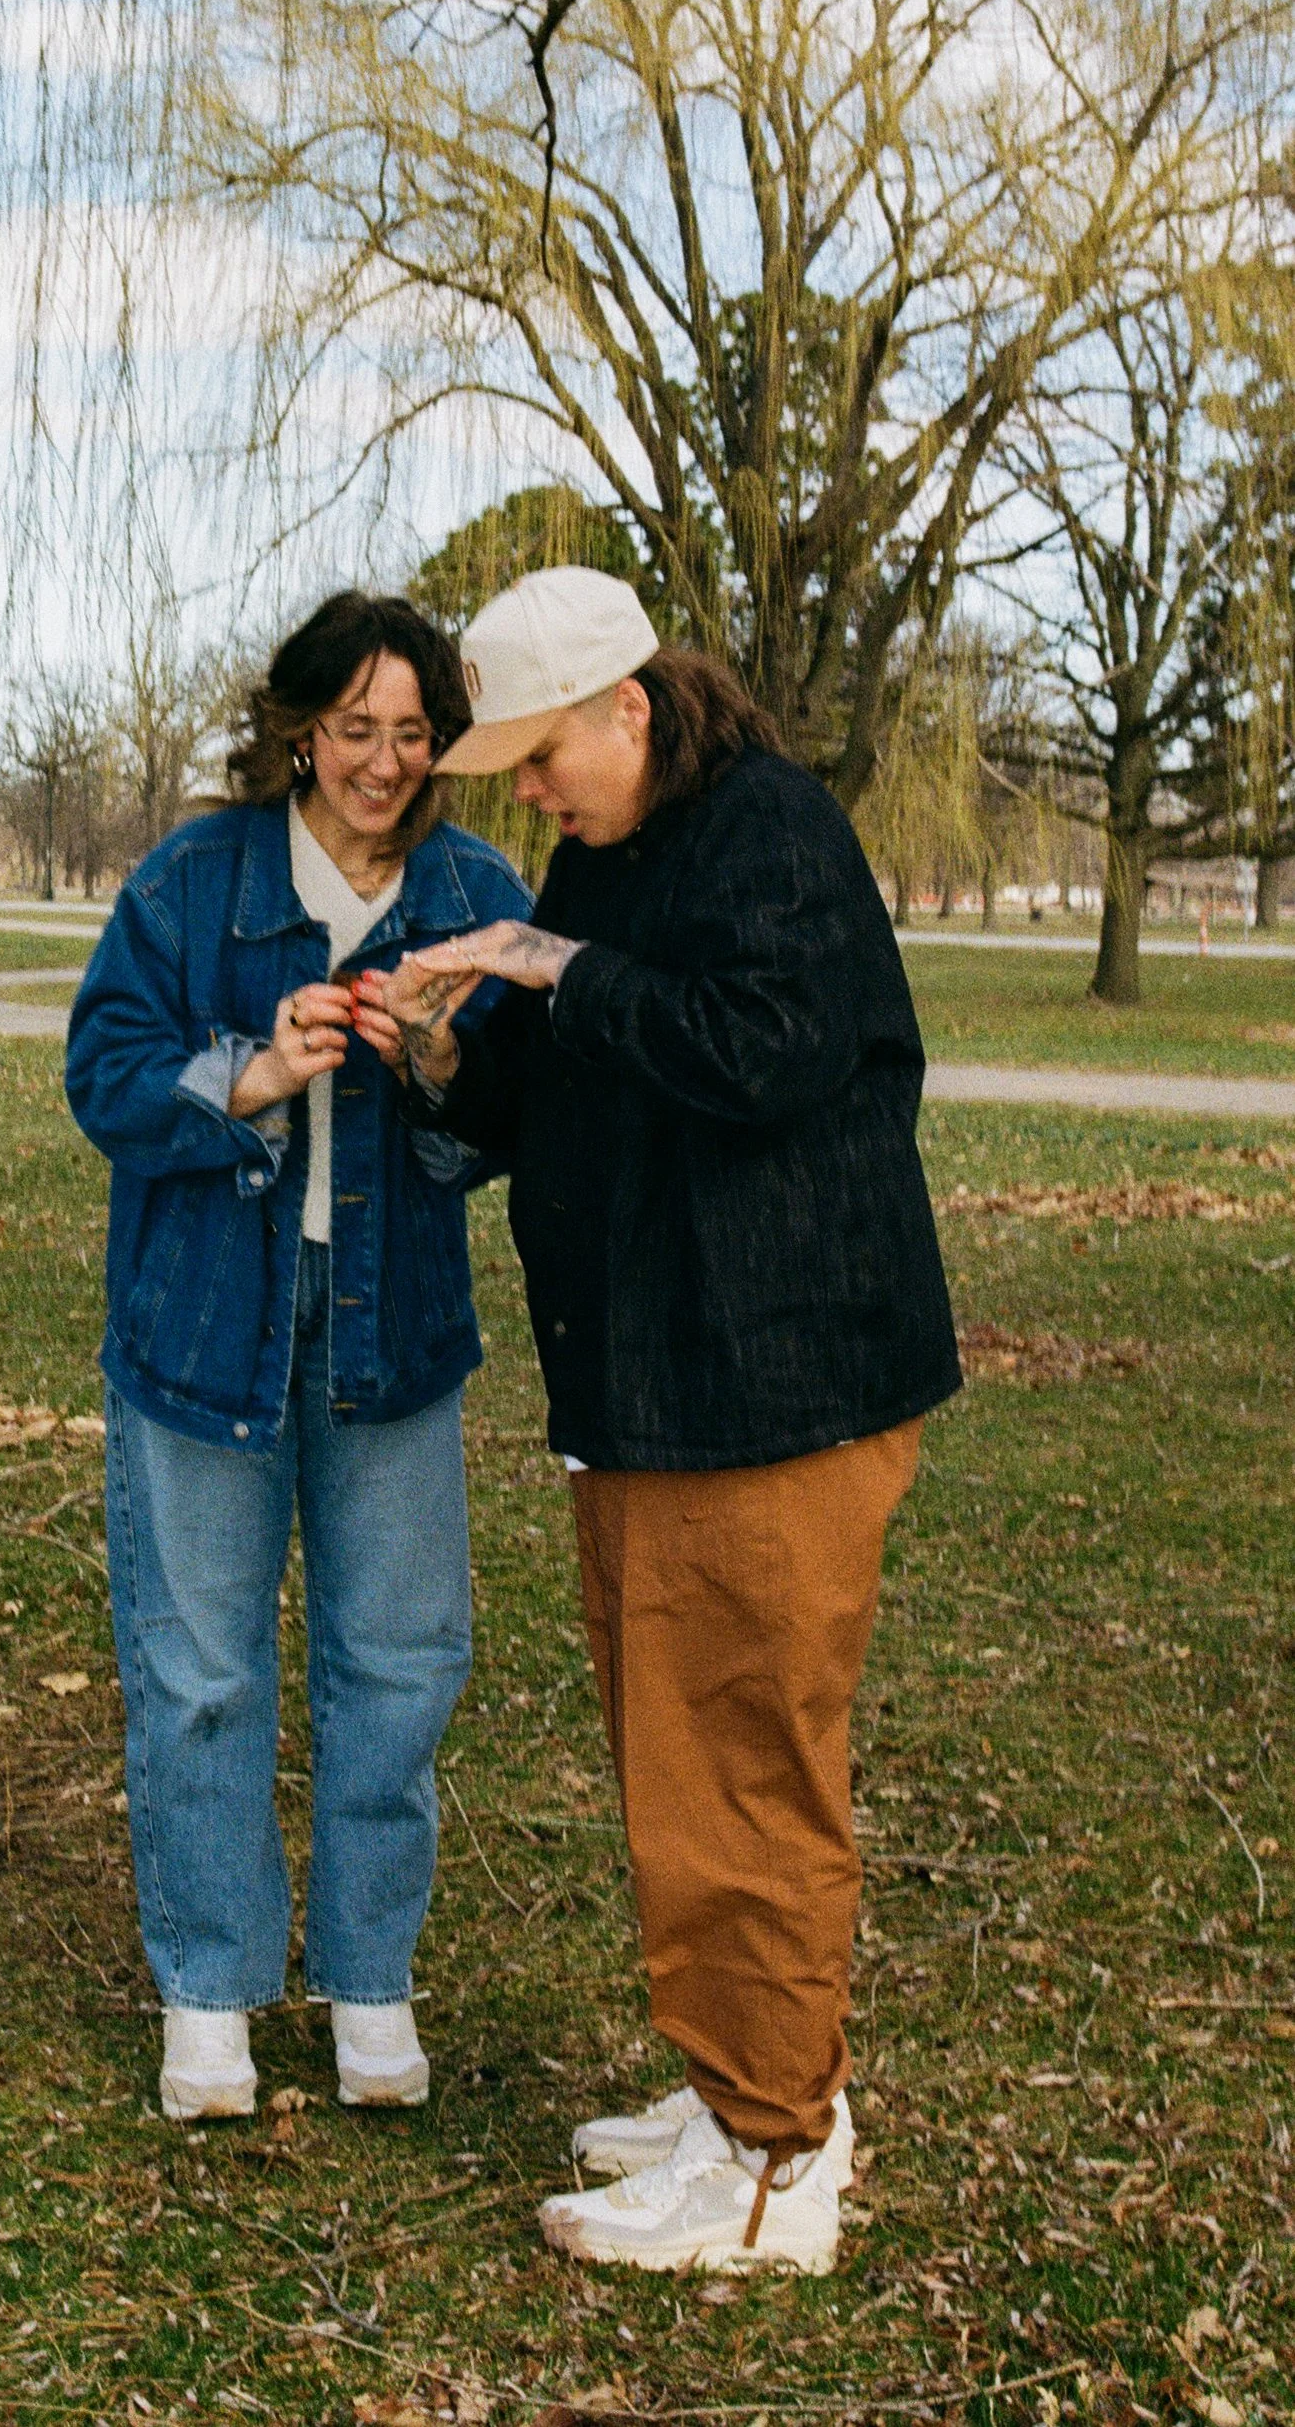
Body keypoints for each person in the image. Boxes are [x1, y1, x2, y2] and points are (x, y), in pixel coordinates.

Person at [352, 566, 960, 2278]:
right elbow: (565, 1088)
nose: (525, 795)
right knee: (682, 1759)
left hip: (770, 1391)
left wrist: (548, 959)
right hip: (654, 1388)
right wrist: (446, 1056)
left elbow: (760, 1052)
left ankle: (771, 2173)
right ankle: (746, 2089)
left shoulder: (768, 831)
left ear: (629, 706)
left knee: (742, 1770)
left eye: (541, 758)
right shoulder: (614, 852)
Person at [65, 591, 533, 2124]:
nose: (380, 765)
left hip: (391, 1335)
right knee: (199, 1669)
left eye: (410, 735)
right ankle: (210, 1995)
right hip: (204, 1332)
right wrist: (252, 1072)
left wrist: (447, 1058)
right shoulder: (193, 879)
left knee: (397, 1660)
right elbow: (102, 1079)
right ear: (297, 732)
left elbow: (514, 1131)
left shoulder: (475, 888)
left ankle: (368, 1983)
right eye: (352, 731)